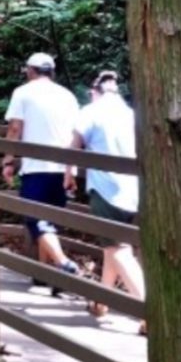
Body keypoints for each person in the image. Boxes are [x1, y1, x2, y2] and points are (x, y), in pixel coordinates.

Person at [0, 52, 85, 287]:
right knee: (49, 222)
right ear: (52, 72)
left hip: (37, 167)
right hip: (62, 168)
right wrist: (71, 168)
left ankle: (63, 264)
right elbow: (76, 133)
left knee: (36, 221)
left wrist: (8, 160)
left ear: (31, 71)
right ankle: (46, 275)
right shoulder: (67, 95)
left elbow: (14, 128)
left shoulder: (23, 92)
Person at [69, 70, 145, 332]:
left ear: (94, 92)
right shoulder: (131, 114)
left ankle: (149, 310)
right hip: (134, 189)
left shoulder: (91, 111)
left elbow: (74, 145)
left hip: (106, 189)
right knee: (112, 245)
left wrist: (68, 173)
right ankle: (101, 302)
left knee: (118, 249)